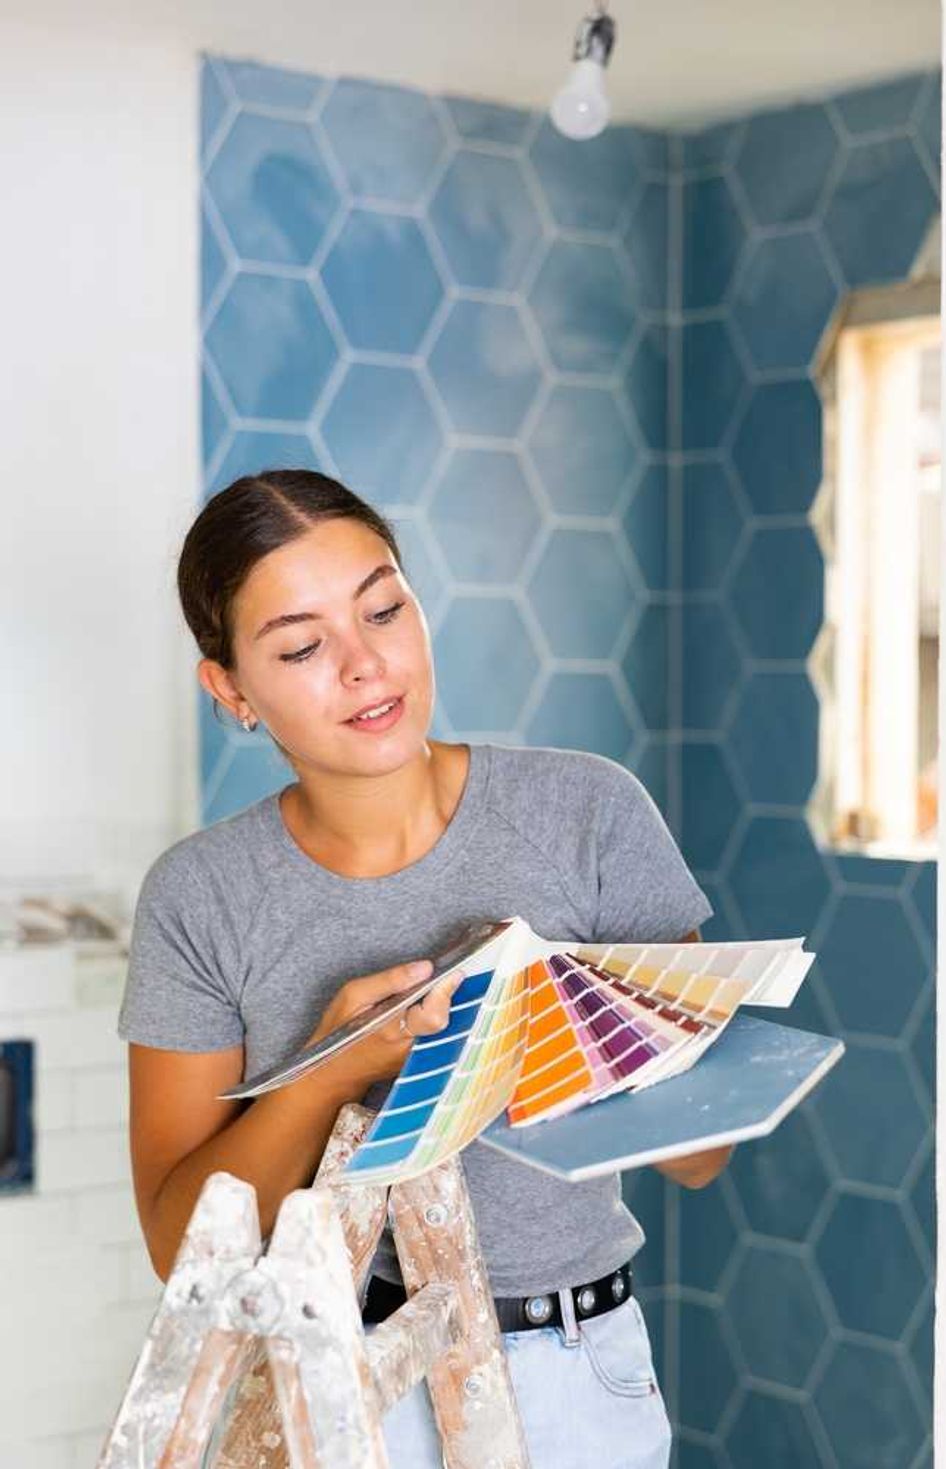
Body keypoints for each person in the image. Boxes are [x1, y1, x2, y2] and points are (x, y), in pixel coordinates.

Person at [117, 469, 731, 1468]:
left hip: (573, 1379)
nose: (365, 664)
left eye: (384, 608)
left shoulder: (586, 813)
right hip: (333, 1384)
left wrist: (577, 1033)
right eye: (303, 644)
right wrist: (327, 1068)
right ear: (229, 687)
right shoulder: (199, 895)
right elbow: (180, 1246)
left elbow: (703, 1157)